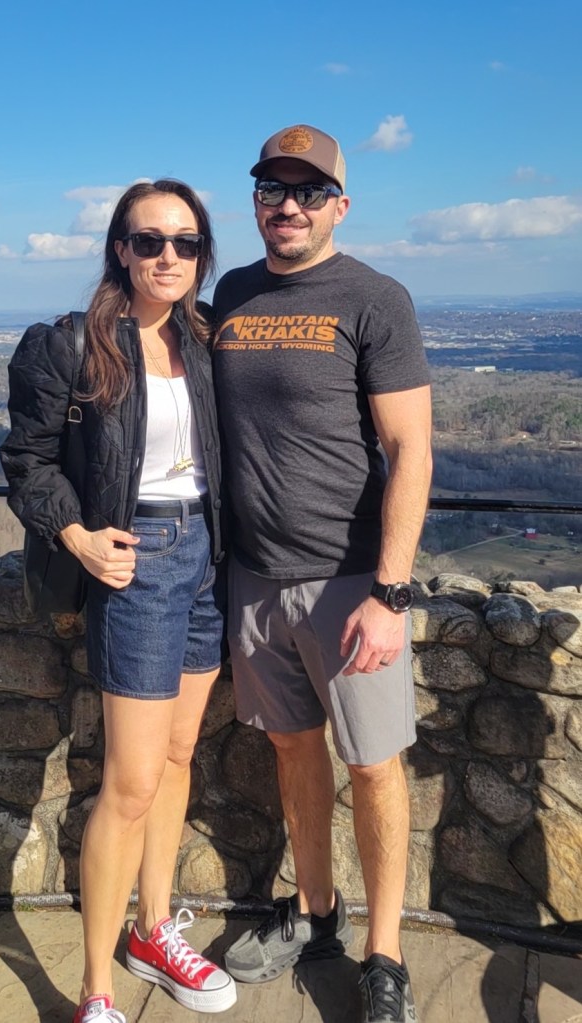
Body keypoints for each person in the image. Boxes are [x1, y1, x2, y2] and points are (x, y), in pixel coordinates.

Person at [0, 179, 236, 1023]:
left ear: (202, 254)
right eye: (150, 240)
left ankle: (152, 929)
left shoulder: (202, 337)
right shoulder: (72, 344)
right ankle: (96, 990)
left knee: (176, 757)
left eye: (185, 242)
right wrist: (78, 536)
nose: (168, 255)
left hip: (209, 556)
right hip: (134, 561)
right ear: (120, 249)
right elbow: (27, 461)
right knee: (130, 782)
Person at [212, 125, 432, 1023]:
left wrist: (390, 592)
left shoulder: (376, 298)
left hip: (348, 581)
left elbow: (410, 449)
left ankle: (386, 955)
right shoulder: (231, 292)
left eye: (308, 191)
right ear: (256, 200)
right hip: (254, 577)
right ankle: (315, 911)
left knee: (374, 766)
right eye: (273, 188)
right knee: (292, 748)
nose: (289, 206)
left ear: (340, 204)